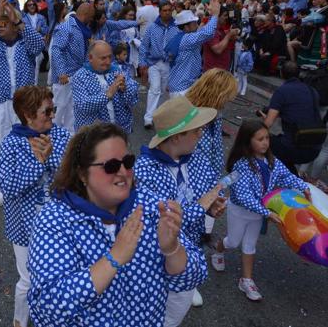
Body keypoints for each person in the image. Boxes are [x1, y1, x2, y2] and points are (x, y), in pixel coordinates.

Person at [27, 123, 208, 326]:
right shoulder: (56, 219)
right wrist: (114, 258)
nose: (123, 172)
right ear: (81, 174)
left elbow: (194, 276)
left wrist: (172, 249)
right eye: (111, 166)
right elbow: (47, 307)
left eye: (128, 162)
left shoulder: (148, 204)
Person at [134, 96, 226, 325]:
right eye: (195, 131)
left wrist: (213, 207)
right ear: (176, 137)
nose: (201, 134)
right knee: (159, 314)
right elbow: (162, 222)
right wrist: (201, 206)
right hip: (158, 260)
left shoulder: (197, 159)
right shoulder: (144, 171)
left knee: (179, 304)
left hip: (189, 250)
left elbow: (210, 192)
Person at [0, 85, 70, 327]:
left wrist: (51, 159)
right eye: (47, 112)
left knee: (63, 277)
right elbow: (7, 188)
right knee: (28, 280)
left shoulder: (60, 135)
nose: (52, 116)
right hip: (25, 227)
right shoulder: (11, 144)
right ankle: (20, 321)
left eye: (53, 110)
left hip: (61, 223)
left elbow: (72, 174)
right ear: (28, 116)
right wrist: (39, 163)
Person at [211, 120, 310, 301]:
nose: (265, 142)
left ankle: (246, 280)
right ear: (248, 141)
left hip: (258, 213)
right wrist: (267, 213)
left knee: (250, 245)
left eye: (267, 138)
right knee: (233, 242)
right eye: (260, 139)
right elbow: (242, 196)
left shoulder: (272, 161)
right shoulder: (242, 165)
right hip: (240, 212)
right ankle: (218, 249)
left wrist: (304, 186)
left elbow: (286, 176)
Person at [0, 0, 45, 207]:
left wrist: (17, 19)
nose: (1, 26)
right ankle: (3, 188)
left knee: (29, 146)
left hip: (24, 105)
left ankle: (29, 186)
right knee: (0, 147)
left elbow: (39, 46)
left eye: (6, 23)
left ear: (15, 25)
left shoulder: (26, 43)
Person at [186, 69, 238, 240]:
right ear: (217, 93)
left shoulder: (215, 113)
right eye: (228, 96)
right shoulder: (190, 115)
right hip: (191, 181)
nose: (229, 101)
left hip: (209, 176)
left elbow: (215, 149)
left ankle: (203, 232)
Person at [259, 61, 323, 173]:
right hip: (315, 147)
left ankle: (260, 178)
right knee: (282, 150)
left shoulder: (282, 91)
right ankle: (293, 178)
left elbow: (267, 124)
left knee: (260, 140)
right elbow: (300, 113)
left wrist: (265, 118)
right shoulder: (312, 91)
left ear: (281, 73)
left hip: (296, 147)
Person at [72, 41, 138, 133]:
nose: (108, 62)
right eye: (103, 58)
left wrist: (125, 89)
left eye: (110, 57)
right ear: (90, 58)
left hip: (119, 130)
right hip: (93, 135)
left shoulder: (116, 70)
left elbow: (133, 96)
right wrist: (108, 93)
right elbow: (83, 105)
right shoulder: (80, 76)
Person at [49, 3, 95, 134]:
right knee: (59, 109)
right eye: (90, 17)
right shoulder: (66, 27)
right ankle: (52, 138)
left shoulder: (82, 28)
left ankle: (69, 140)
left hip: (77, 76)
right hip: (64, 78)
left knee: (73, 111)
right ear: (85, 14)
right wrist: (61, 72)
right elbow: (56, 49)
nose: (91, 20)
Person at [166, 0, 220, 97]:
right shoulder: (187, 40)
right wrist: (215, 15)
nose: (197, 24)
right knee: (189, 113)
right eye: (194, 23)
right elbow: (207, 33)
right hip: (182, 90)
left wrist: (210, 15)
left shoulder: (179, 36)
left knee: (191, 112)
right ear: (186, 27)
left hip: (178, 86)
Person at [138, 2, 179, 129]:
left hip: (169, 64)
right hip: (154, 63)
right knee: (154, 89)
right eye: (164, 10)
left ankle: (159, 115)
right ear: (160, 12)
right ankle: (148, 118)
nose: (167, 12)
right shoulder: (152, 27)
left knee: (164, 91)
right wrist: (142, 63)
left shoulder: (177, 27)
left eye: (169, 10)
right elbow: (144, 46)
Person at [22, 0, 48, 83]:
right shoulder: (24, 18)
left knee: (36, 66)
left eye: (33, 4)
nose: (32, 6)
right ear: (27, 7)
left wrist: (40, 29)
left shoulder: (41, 17)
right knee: (28, 67)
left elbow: (46, 29)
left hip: (38, 45)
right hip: (27, 45)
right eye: (29, 5)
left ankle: (34, 85)